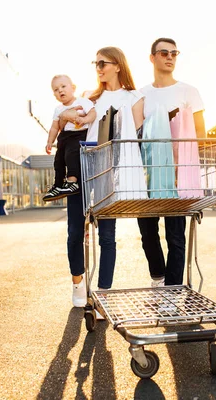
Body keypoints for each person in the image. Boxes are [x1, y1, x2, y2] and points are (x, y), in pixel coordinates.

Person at [64, 46, 144, 309]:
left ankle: (103, 295)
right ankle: (78, 283)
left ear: (118, 65)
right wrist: (67, 115)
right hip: (85, 167)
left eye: (103, 63)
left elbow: (136, 137)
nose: (98, 67)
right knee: (76, 231)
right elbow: (71, 121)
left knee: (107, 236)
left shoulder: (134, 97)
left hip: (112, 172)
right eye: (95, 63)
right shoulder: (89, 97)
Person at [138, 37, 206, 287]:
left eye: (174, 53)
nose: (170, 57)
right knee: (147, 232)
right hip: (148, 173)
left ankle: (172, 289)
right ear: (152, 57)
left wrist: (185, 166)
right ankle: (158, 277)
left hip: (179, 175)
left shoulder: (189, 91)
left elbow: (200, 133)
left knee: (176, 236)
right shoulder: (141, 94)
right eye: (164, 52)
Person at [43, 75, 96, 202]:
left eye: (63, 86)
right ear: (54, 94)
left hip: (78, 134)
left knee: (71, 156)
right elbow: (55, 128)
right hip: (64, 137)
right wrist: (50, 142)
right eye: (56, 89)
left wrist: (84, 119)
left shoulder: (82, 102)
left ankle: (72, 182)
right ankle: (58, 185)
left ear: (73, 88)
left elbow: (93, 113)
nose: (60, 90)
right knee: (58, 160)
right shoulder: (58, 109)